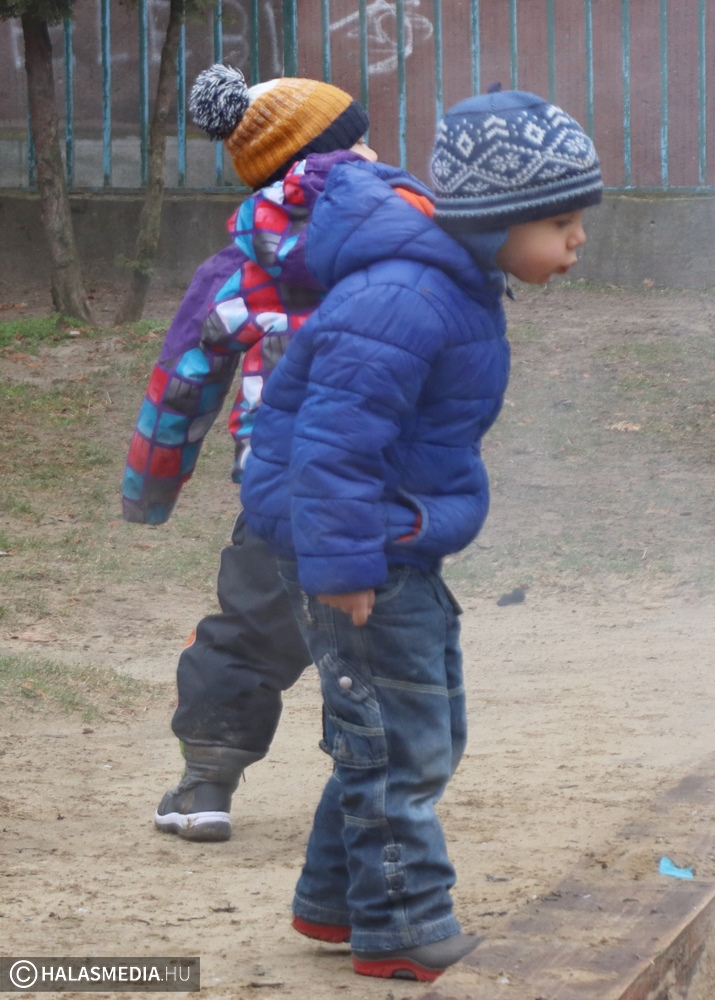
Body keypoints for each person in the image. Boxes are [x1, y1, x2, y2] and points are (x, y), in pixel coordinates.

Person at [238, 89, 601, 981]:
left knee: (403, 726)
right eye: (560, 223)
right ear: (495, 219)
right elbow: (332, 444)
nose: (578, 240)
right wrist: (343, 566)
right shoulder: (403, 297)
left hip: (394, 538)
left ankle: (335, 900)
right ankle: (401, 924)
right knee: (399, 740)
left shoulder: (453, 282)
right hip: (357, 549)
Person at [126, 64, 382, 842]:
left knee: (250, 631)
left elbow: (181, 387)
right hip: (387, 484)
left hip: (286, 488)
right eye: (359, 140)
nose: (372, 151)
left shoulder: (239, 270)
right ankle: (377, 795)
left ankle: (206, 780)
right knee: (385, 637)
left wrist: (151, 490)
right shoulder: (406, 236)